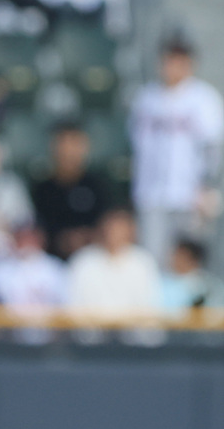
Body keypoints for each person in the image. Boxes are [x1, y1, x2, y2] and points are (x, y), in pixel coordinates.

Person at [128, 33, 224, 267]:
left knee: (191, 262)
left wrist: (208, 188)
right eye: (169, 59)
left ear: (191, 63)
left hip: (190, 196)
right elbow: (135, 145)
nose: (172, 66)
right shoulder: (146, 98)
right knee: (153, 261)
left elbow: (213, 149)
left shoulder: (204, 98)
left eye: (179, 60)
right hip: (152, 195)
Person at [29, 122, 113, 260]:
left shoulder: (98, 185)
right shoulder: (41, 189)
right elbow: (35, 229)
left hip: (94, 260)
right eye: (63, 144)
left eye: (74, 143)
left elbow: (111, 223)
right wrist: (63, 240)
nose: (68, 151)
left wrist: (86, 237)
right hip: (50, 262)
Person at [67, 206, 163, 318]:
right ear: (102, 229)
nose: (114, 233)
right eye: (111, 227)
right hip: (91, 331)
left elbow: (151, 306)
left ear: (130, 231)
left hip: (132, 331)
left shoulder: (143, 261)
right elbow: (72, 306)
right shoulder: (83, 261)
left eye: (120, 228)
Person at [161, 238, 224, 310]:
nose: (175, 259)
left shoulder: (208, 286)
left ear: (194, 260)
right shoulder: (164, 282)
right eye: (175, 255)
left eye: (181, 256)